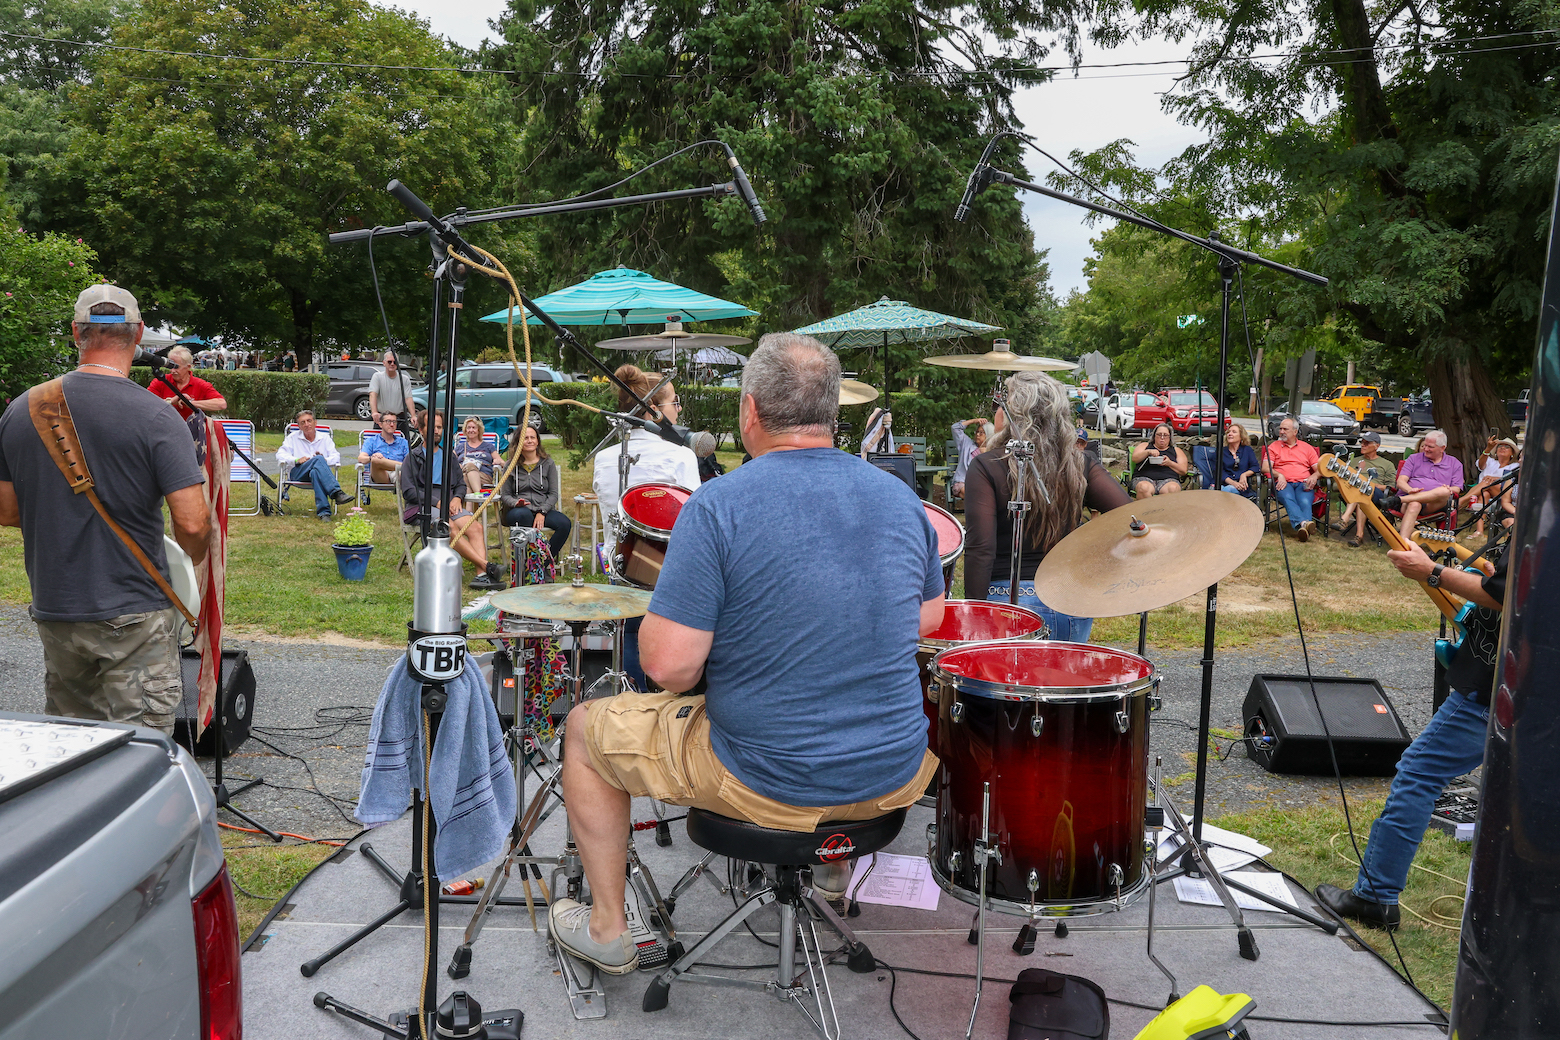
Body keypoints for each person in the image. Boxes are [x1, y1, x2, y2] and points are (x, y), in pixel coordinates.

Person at [549, 332, 943, 974]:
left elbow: (669, 668)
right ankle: (829, 874)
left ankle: (607, 928)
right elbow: (926, 618)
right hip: (892, 773)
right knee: (833, 684)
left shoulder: (718, 506)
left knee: (585, 729)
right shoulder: (901, 499)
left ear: (750, 411)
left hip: (769, 781)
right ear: (832, 411)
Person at [0, 284, 210, 734]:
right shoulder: (157, 416)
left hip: (56, 609)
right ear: (136, 338)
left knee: (73, 750)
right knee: (142, 757)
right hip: (133, 610)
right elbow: (192, 524)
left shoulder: (22, 410)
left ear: (76, 333)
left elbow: (7, 511)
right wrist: (191, 557)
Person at [1316, 539, 1506, 929]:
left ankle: (1375, 897)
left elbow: (1503, 597)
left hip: (1495, 690)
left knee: (1419, 773)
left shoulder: (1545, 512)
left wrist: (1432, 571)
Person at [963, 371, 1130, 642]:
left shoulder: (987, 466)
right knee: (1063, 683)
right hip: (1069, 599)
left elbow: (980, 549)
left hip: (1006, 601)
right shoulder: (1081, 463)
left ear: (1012, 415)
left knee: (1008, 685)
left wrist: (974, 614)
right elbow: (1130, 518)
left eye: (1000, 406)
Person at [592, 364, 699, 686]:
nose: (677, 409)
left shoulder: (604, 457)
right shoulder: (679, 455)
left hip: (618, 569)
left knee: (629, 647)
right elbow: (694, 523)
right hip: (668, 575)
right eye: (674, 402)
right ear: (654, 409)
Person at [400, 409, 505, 590]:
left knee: (475, 527)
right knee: (449, 527)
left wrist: (457, 498)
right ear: (422, 429)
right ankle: (487, 566)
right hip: (421, 507)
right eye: (432, 427)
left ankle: (481, 576)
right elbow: (409, 492)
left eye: (439, 427)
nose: (436, 431)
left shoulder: (449, 456)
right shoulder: (413, 457)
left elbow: (460, 484)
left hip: (449, 504)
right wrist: (436, 502)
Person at [499, 424, 571, 559]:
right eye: (525, 438)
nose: (530, 441)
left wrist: (542, 511)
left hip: (542, 509)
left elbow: (553, 494)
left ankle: (543, 561)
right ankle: (526, 563)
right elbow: (505, 494)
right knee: (523, 515)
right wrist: (515, 503)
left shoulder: (548, 463)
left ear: (538, 441)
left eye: (533, 437)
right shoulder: (510, 465)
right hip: (518, 511)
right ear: (518, 442)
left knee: (564, 524)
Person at [1379, 429, 1463, 539]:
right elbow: (1401, 481)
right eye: (1425, 446)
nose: (1426, 449)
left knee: (1444, 491)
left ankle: (1397, 500)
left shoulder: (1454, 463)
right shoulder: (1414, 459)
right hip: (1409, 500)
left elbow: (1457, 488)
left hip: (1434, 504)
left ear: (1442, 448)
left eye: (1430, 447)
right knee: (1414, 504)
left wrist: (1448, 489)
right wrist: (1409, 490)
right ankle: (1403, 543)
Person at [276, 409, 351, 518]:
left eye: (309, 421)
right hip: (298, 474)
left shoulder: (324, 438)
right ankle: (336, 492)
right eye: (303, 422)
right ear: (299, 426)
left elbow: (336, 457)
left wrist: (324, 461)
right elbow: (280, 455)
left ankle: (324, 513)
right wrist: (296, 460)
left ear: (315, 423)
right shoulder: (292, 438)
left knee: (316, 471)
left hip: (318, 474)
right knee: (318, 459)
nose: (307, 424)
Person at [1332, 431, 1396, 546]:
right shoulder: (1354, 461)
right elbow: (1339, 481)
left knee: (1361, 489)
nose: (1362, 445)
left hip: (1376, 494)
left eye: (1367, 443)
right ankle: (1359, 535)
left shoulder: (1387, 464)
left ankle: (1344, 519)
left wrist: (1372, 485)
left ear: (1377, 446)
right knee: (1361, 493)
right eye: (1362, 442)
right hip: (1354, 492)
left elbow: (1392, 487)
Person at [1261, 417, 1321, 541]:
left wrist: (1315, 476)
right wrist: (1280, 475)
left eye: (1285, 429)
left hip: (1303, 483)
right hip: (1283, 483)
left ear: (1295, 432)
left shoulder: (1307, 448)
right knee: (1288, 498)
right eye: (1280, 429)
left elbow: (1320, 469)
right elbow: (1265, 467)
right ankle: (1304, 524)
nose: (1281, 431)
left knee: (1304, 501)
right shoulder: (1274, 446)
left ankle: (1302, 528)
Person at [1459, 436, 1519, 538]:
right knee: (1484, 494)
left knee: (1487, 483)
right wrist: (1488, 449)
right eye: (1500, 446)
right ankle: (1479, 531)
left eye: (1506, 447)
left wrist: (1494, 478)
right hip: (1484, 492)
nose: (1502, 448)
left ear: (1512, 453)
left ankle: (1461, 501)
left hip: (1503, 494)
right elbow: (1480, 465)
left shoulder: (1515, 466)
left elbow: (1511, 480)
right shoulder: (1490, 461)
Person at [149, 345, 227, 420]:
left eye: (176, 367)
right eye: (170, 366)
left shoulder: (200, 384)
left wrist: (189, 403)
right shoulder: (160, 381)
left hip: (191, 431)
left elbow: (221, 404)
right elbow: (146, 404)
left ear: (188, 367)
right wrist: (171, 401)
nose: (172, 371)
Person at [1130, 422, 1188, 497]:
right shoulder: (1145, 446)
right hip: (1144, 478)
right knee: (1144, 487)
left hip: (1168, 480)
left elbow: (1183, 471)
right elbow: (1135, 458)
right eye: (1159, 435)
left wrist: (1169, 463)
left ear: (1170, 437)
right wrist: (1148, 452)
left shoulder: (1176, 450)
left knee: (1173, 488)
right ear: (1154, 436)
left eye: (1165, 435)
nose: (1162, 437)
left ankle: (1166, 509)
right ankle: (1149, 509)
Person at [357, 411, 409, 485]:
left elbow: (410, 462)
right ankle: (399, 466)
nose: (392, 424)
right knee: (376, 460)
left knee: (406, 469)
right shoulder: (371, 441)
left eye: (394, 422)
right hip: (380, 475)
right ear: (380, 424)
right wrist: (372, 458)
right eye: (388, 421)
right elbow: (361, 458)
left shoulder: (403, 442)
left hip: (398, 473)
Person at [949, 416, 992, 503]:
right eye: (977, 432)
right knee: (972, 494)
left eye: (981, 433)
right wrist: (974, 421)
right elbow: (955, 428)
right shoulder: (966, 444)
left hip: (982, 485)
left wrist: (985, 454)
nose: (977, 434)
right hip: (963, 482)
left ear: (989, 435)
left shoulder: (992, 451)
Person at [368, 351, 413, 432]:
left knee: (402, 443)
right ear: (384, 363)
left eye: (395, 362)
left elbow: (408, 398)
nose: (392, 364)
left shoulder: (404, 379)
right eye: (389, 362)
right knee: (379, 443)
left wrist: (413, 416)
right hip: (382, 417)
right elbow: (373, 395)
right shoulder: (377, 377)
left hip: (399, 418)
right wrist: (374, 412)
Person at [455, 416, 497, 494]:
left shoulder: (488, 446)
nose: (471, 430)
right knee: (465, 477)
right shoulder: (460, 447)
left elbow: (502, 462)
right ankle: (478, 498)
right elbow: (450, 460)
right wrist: (457, 465)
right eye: (469, 428)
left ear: (479, 430)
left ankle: (477, 494)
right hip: (464, 475)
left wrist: (497, 461)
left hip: (484, 476)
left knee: (468, 469)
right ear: (465, 430)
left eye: (474, 427)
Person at [1217, 422, 1259, 497]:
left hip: (1242, 487)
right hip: (1223, 485)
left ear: (1241, 437)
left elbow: (1255, 467)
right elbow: (1219, 471)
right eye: (1228, 432)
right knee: (1228, 489)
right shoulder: (1220, 451)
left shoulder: (1247, 450)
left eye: (1234, 432)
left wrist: (1244, 475)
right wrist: (1233, 483)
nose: (1230, 434)